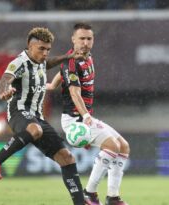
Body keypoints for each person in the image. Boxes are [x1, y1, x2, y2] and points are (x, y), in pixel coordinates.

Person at [0, 27, 89, 205]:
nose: (45, 53)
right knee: (35, 129)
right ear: (29, 46)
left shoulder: (41, 61)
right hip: (18, 112)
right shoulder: (19, 62)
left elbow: (48, 63)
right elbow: (5, 79)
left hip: (37, 117)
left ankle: (80, 202)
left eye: (48, 49)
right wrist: (4, 92)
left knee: (67, 157)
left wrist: (68, 57)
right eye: (41, 49)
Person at [47, 23, 130, 205]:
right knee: (112, 146)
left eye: (89, 39)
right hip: (75, 120)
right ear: (73, 40)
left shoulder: (86, 56)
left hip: (84, 116)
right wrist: (86, 117)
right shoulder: (72, 63)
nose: (85, 42)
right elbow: (75, 93)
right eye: (81, 38)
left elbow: (62, 72)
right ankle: (90, 194)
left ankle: (113, 197)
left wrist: (53, 85)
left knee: (123, 146)